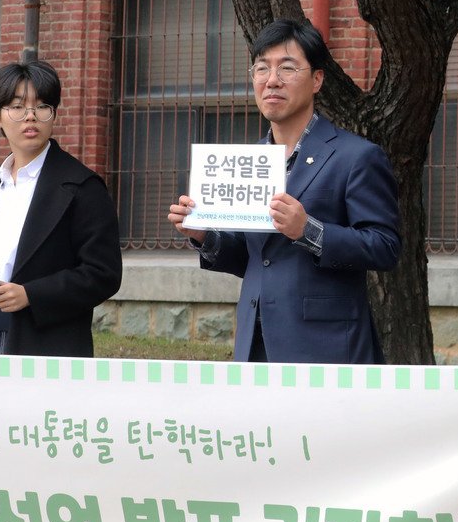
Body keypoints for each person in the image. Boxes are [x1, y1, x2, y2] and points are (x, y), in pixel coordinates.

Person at [168, 19, 400, 364]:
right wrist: (206, 235)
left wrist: (309, 231)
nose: (271, 80)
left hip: (328, 348)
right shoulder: (249, 163)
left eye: (287, 68)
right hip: (256, 341)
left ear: (317, 79)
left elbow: (385, 247)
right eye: (262, 68)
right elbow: (256, 259)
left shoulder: (356, 156)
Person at [0, 60, 122, 356]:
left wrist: (31, 294)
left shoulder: (82, 187)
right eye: (17, 107)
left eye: (42, 106)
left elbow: (103, 273)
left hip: (46, 340)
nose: (30, 117)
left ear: (53, 114)